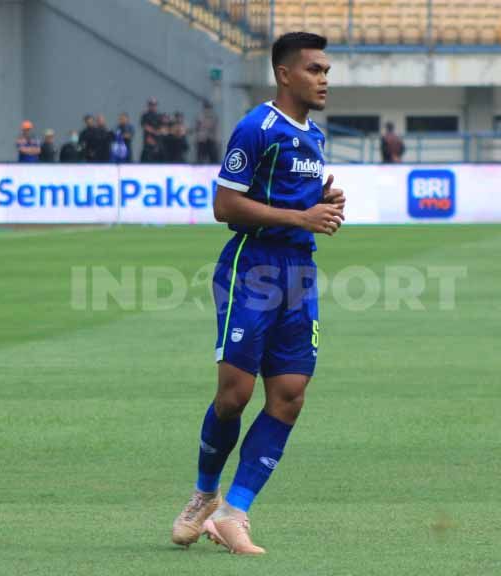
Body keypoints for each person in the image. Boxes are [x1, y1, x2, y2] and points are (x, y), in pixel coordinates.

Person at [170, 32, 345, 555]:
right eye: (315, 70)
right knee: (235, 396)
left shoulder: (311, 135)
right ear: (285, 73)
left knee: (289, 397)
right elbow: (225, 206)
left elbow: (293, 198)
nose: (324, 80)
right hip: (253, 268)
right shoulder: (256, 128)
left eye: (327, 72)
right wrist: (301, 215)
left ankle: (233, 512)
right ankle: (204, 494)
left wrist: (322, 200)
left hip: (299, 272)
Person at [140, 98, 163, 162]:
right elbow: (145, 126)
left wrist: (158, 132)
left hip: (158, 142)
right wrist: (155, 132)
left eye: (154, 105)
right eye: (151, 104)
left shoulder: (159, 116)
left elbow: (163, 127)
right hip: (148, 141)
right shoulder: (145, 115)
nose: (153, 106)